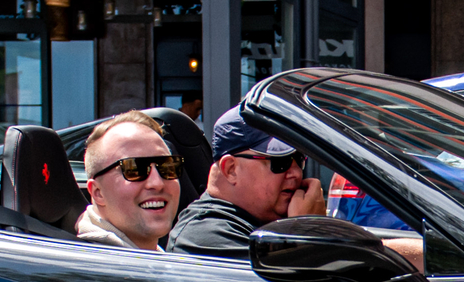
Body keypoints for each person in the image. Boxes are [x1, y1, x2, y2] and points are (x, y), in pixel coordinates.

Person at [164, 106, 423, 270]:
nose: (296, 172)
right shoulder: (205, 236)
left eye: (299, 158)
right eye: (279, 161)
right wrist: (307, 230)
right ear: (231, 169)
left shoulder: (263, 223)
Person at [74, 111, 181, 251]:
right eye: (134, 169)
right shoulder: (88, 267)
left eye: (167, 166)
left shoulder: (151, 265)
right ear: (97, 192)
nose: (157, 183)